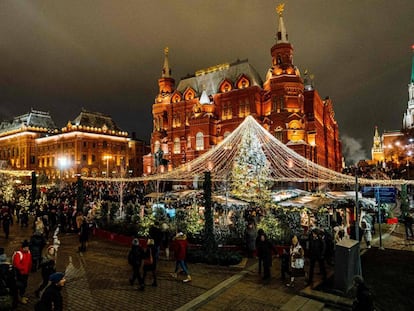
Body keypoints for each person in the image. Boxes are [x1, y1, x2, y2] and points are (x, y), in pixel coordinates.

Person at [12, 240, 32, 305]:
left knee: (24, 285)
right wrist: (23, 269)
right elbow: (17, 264)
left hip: (26, 273)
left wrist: (29, 269)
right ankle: (20, 297)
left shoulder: (28, 252)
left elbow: (29, 262)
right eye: (26, 248)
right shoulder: (18, 254)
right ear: (23, 248)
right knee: (21, 286)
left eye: (28, 247)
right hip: (20, 274)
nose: (27, 249)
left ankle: (22, 296)